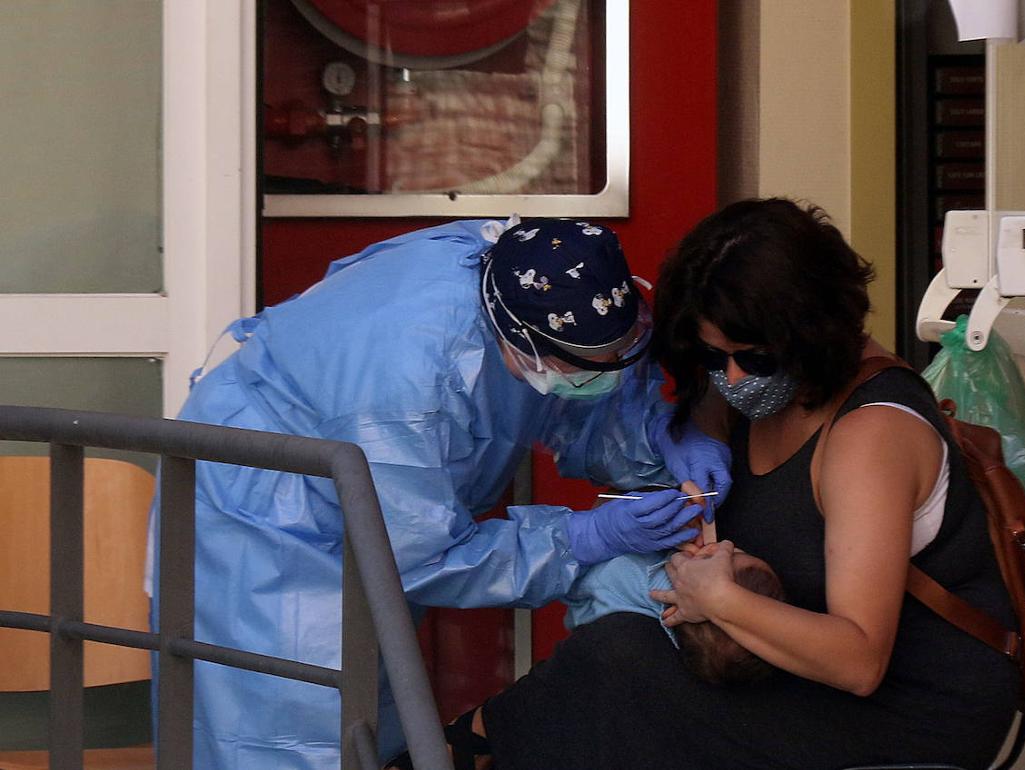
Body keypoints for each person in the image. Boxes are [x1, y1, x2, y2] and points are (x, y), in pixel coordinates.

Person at [147, 217, 732, 769]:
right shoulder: (404, 389)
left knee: (374, 719)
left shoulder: (536, 275)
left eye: (617, 354)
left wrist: (664, 436)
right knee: (299, 731)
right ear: (521, 346)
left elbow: (585, 389)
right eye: (586, 368)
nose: (603, 375)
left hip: (360, 470)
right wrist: (583, 537)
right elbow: (424, 556)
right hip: (262, 522)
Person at [458, 198, 1021, 769]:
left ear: (812, 333)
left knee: (617, 668)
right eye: (711, 354)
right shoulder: (756, 389)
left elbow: (859, 662)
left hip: (908, 709)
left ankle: (471, 741)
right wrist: (691, 446)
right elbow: (709, 407)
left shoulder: (869, 439)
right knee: (613, 646)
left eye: (750, 358)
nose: (729, 378)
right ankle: (476, 742)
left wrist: (719, 597)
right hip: (791, 671)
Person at [564, 541, 786, 685]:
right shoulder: (692, 639)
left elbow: (572, 569)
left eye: (728, 556)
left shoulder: (627, 573)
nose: (724, 545)